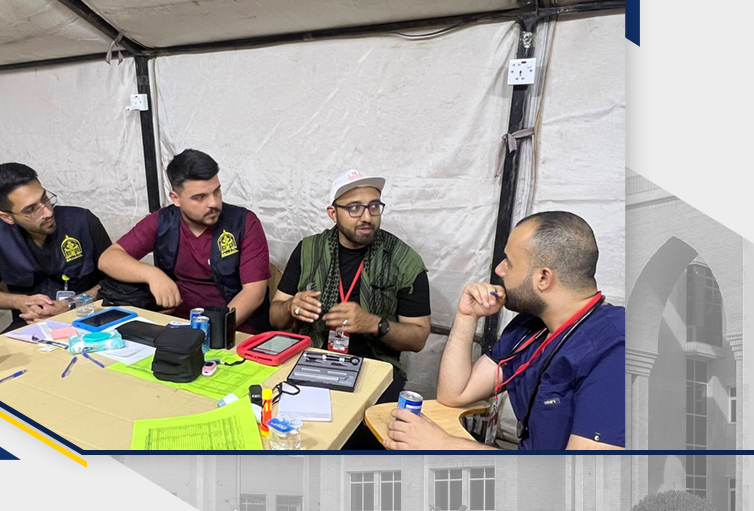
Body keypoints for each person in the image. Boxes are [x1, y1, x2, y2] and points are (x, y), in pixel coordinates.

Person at [384, 211, 624, 450]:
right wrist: (467, 316)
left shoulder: (616, 350)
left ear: (543, 278)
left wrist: (444, 445)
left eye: (509, 262)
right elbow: (455, 393)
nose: (499, 269)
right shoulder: (531, 327)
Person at [270, 170, 431, 409]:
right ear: (333, 213)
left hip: (375, 366)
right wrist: (290, 307)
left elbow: (418, 337)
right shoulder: (308, 250)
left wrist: (375, 324)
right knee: (280, 413)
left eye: (374, 207)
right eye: (354, 208)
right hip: (311, 358)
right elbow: (275, 318)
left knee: (361, 424)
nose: (367, 217)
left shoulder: (404, 260)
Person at [98, 149, 272, 332]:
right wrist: (152, 274)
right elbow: (108, 259)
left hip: (232, 329)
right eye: (200, 197)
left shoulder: (244, 223)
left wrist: (212, 331)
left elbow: (254, 293)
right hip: (174, 326)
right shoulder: (162, 221)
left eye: (217, 191)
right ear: (176, 198)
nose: (213, 203)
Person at [0, 163, 113, 332]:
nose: (48, 213)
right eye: (31, 209)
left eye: (45, 199)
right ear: (7, 217)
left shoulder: (82, 222)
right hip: (30, 325)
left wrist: (69, 304)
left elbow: (113, 281)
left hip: (88, 317)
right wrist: (20, 302)